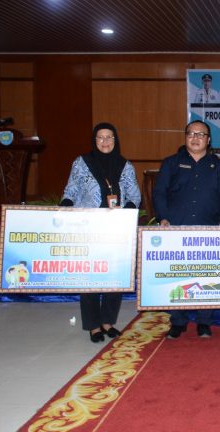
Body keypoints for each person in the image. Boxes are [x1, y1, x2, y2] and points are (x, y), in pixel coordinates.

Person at [60, 122, 141, 343]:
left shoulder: (125, 165)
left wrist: (129, 209)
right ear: (94, 140)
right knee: (90, 276)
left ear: (116, 140)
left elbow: (134, 195)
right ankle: (93, 325)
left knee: (115, 275)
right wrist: (66, 205)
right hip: (88, 228)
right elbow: (71, 189)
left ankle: (108, 322)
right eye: (100, 137)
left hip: (116, 230)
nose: (105, 141)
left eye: (109, 137)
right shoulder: (82, 163)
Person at [153, 120, 220, 339]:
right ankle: (178, 321)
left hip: (209, 229)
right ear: (185, 136)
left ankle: (204, 322)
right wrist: (163, 217)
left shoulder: (219, 166)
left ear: (208, 139)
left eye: (200, 134)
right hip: (177, 228)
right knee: (178, 275)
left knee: (206, 275)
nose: (195, 138)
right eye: (191, 133)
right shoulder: (171, 163)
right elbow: (159, 192)